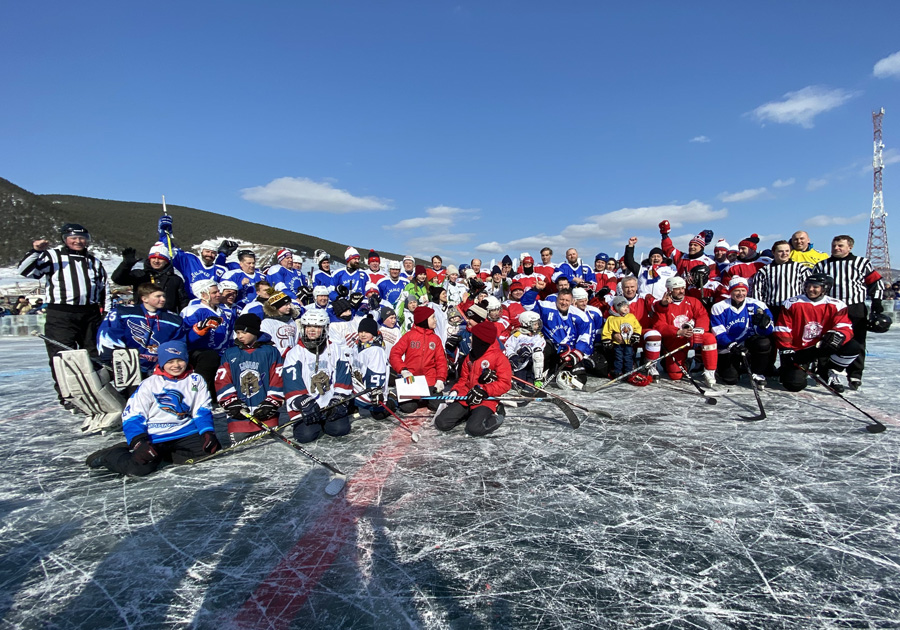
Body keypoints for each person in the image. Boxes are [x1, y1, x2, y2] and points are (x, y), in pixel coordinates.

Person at [85, 341, 221, 476]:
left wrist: (207, 432)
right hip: (155, 436)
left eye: (180, 360)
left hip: (184, 432)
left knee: (208, 451)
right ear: (162, 362)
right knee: (139, 469)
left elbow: (201, 408)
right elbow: (132, 415)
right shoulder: (149, 384)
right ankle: (109, 455)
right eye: (170, 361)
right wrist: (138, 442)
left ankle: (167, 454)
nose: (176, 365)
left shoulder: (195, 380)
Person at [18, 223, 108, 407]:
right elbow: (26, 271)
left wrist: (104, 311)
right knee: (62, 354)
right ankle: (68, 396)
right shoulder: (53, 256)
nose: (78, 241)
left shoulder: (94, 261)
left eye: (82, 238)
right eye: (73, 238)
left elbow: (102, 288)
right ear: (65, 239)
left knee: (94, 353)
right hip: (61, 313)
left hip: (90, 313)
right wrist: (35, 251)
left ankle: (98, 391)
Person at [811, 235, 886, 390]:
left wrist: (877, 304)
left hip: (854, 307)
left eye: (840, 245)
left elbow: (876, 283)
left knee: (857, 341)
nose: (836, 248)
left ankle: (855, 374)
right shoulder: (821, 265)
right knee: (827, 340)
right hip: (829, 308)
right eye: (834, 245)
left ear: (849, 247)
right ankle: (825, 372)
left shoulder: (861, 263)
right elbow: (811, 285)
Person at [775, 273, 861, 393]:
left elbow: (844, 325)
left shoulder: (837, 304)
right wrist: (786, 348)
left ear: (824, 289)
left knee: (853, 347)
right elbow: (783, 327)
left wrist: (839, 334)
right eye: (808, 286)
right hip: (801, 350)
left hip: (823, 347)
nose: (811, 289)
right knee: (794, 385)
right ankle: (788, 371)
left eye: (815, 287)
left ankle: (830, 371)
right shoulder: (792, 303)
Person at [282, 310, 355, 443]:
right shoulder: (295, 353)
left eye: (316, 327)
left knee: (340, 430)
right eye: (308, 326)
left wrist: (338, 399)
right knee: (306, 436)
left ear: (325, 328)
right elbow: (291, 383)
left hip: (329, 404)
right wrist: (304, 402)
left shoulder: (334, 349)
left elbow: (343, 376)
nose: (311, 330)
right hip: (307, 407)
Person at [215, 314, 285, 444]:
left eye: (244, 332)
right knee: (240, 446)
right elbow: (222, 380)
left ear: (254, 332)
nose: (240, 336)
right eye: (237, 332)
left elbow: (278, 378)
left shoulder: (270, 351)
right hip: (239, 417)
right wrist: (231, 402)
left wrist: (272, 402)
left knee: (270, 445)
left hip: (266, 415)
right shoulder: (230, 353)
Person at [436, 320, 512, 437]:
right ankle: (469, 414)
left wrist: (484, 390)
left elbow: (505, 383)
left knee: (475, 429)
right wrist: (456, 390)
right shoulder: (470, 356)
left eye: (473, 337)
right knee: (442, 423)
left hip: (485, 399)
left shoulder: (499, 358)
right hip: (467, 396)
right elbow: (463, 379)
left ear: (481, 340)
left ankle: (498, 415)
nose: (471, 339)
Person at [97, 283, 186, 377]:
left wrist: (170, 362)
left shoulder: (174, 320)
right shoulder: (123, 313)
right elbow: (109, 336)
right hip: (127, 366)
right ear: (144, 299)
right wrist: (111, 360)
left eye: (164, 296)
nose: (163, 299)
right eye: (158, 296)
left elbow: (178, 343)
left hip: (158, 368)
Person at [645, 276, 719, 388]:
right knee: (675, 375)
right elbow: (659, 326)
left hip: (693, 335)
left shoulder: (693, 301)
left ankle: (710, 372)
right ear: (670, 290)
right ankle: (686, 363)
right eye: (677, 289)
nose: (681, 291)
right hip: (675, 339)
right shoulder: (663, 305)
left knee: (709, 338)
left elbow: (702, 316)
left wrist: (697, 330)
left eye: (683, 288)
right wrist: (678, 331)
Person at [520, 276, 592, 390]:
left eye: (567, 300)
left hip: (568, 352)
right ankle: (538, 376)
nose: (564, 303)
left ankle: (562, 374)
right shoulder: (546, 307)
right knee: (543, 349)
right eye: (561, 300)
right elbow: (526, 303)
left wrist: (576, 353)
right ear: (557, 299)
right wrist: (535, 290)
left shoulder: (580, 316)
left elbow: (585, 337)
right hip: (550, 349)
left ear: (572, 301)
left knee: (580, 378)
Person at [710, 278, 774, 388]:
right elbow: (718, 331)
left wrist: (764, 325)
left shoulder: (757, 305)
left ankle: (758, 373)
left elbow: (768, 330)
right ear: (731, 291)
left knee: (763, 343)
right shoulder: (719, 307)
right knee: (731, 379)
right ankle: (727, 367)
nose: (740, 294)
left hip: (748, 342)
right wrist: (731, 345)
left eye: (743, 290)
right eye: (737, 290)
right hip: (729, 346)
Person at [180, 279, 234, 402]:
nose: (219, 294)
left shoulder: (226, 311)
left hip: (222, 352)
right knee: (209, 358)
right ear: (203, 294)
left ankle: (226, 399)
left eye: (218, 291)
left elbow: (231, 335)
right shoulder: (192, 310)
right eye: (214, 292)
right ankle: (202, 398)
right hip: (200, 353)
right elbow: (185, 338)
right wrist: (199, 330)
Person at [389, 305, 448, 413]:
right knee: (408, 408)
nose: (435, 320)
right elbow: (394, 354)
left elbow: (441, 361)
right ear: (424, 320)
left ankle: (423, 396)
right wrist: (403, 370)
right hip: (411, 379)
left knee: (437, 405)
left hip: (430, 380)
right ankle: (397, 393)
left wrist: (440, 379)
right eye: (433, 317)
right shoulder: (409, 336)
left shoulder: (435, 339)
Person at [156, 215, 229, 297]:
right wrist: (163, 234)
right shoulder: (189, 260)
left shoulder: (221, 270)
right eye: (207, 251)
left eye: (213, 253)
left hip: (210, 303)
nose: (209, 255)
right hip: (188, 301)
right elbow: (171, 250)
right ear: (201, 251)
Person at [112, 242, 190, 312]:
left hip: (165, 318)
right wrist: (126, 265)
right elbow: (117, 279)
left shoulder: (175, 279)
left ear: (166, 261)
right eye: (153, 258)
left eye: (160, 258)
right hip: (142, 316)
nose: (156, 261)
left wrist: (183, 318)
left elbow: (183, 302)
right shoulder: (140, 275)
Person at [350, 314, 394, 420]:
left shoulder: (376, 350)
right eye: (361, 331)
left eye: (367, 332)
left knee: (378, 415)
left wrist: (376, 390)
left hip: (372, 389)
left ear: (373, 333)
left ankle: (392, 400)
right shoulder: (355, 347)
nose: (363, 334)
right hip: (358, 387)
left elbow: (377, 371)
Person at [601, 295, 643, 377]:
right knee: (618, 357)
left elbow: (637, 327)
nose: (626, 308)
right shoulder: (612, 319)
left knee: (628, 357)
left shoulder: (631, 317)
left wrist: (636, 335)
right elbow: (607, 330)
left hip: (628, 342)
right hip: (618, 343)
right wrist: (606, 340)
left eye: (627, 306)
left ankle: (628, 371)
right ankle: (618, 371)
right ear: (617, 308)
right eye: (623, 307)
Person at [504, 310, 547, 388]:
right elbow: (508, 347)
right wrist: (513, 356)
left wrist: (530, 350)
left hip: (532, 362)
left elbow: (541, 346)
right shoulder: (518, 335)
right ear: (526, 324)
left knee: (538, 354)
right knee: (520, 384)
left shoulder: (538, 336)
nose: (537, 326)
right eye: (535, 324)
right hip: (520, 363)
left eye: (538, 324)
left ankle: (538, 380)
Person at [260, 291, 300, 355]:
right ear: (276, 306)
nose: (289, 307)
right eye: (286, 305)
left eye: (289, 304)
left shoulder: (291, 321)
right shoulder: (266, 323)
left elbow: (296, 340)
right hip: (276, 357)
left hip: (292, 357)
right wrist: (283, 352)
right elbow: (266, 342)